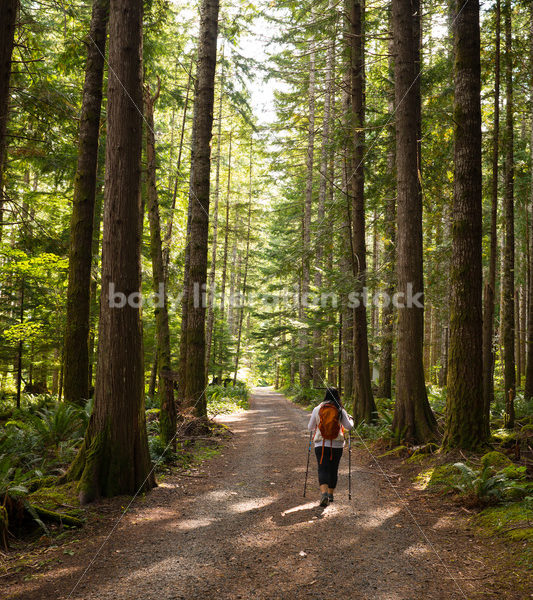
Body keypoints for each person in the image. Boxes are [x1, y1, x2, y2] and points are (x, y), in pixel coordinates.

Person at [307, 388, 353, 507]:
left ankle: (324, 494)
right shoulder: (340, 410)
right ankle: (331, 494)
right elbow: (348, 427)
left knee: (322, 468)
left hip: (321, 444)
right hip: (337, 444)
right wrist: (351, 420)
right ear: (338, 396)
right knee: (333, 469)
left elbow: (310, 427)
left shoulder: (317, 409)